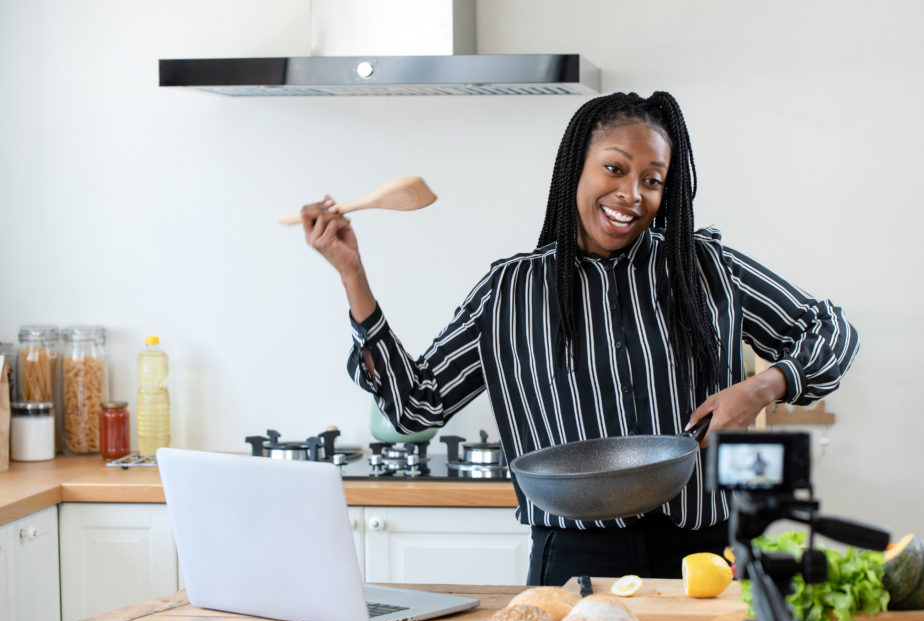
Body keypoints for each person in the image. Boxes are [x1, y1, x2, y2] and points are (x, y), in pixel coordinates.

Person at [299, 91, 859, 586]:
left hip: (702, 554)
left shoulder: (705, 267)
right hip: (575, 558)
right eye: (614, 169)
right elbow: (415, 407)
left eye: (653, 180)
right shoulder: (511, 291)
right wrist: (353, 276)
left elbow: (831, 330)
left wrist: (761, 387)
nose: (631, 194)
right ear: (577, 171)